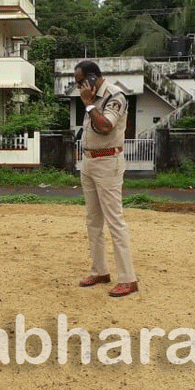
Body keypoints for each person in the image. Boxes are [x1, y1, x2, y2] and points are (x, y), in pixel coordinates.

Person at [74, 60, 139, 297]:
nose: (79, 86)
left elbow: (106, 127)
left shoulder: (115, 96)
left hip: (108, 162)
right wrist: (89, 102)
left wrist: (90, 105)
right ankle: (100, 270)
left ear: (92, 77)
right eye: (76, 83)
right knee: (93, 221)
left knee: (115, 221)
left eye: (80, 81)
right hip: (89, 162)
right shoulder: (89, 97)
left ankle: (128, 278)